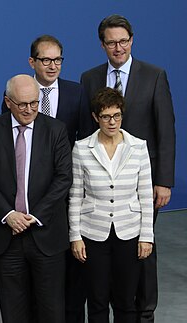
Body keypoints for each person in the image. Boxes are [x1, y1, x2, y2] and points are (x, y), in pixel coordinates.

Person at [80, 14, 175, 322]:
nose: (118, 48)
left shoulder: (154, 75)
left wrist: (164, 181)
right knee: (106, 253)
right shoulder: (89, 78)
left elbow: (166, 130)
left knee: (143, 249)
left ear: (132, 41)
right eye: (111, 42)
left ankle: (144, 313)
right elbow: (84, 130)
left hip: (143, 182)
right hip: (100, 183)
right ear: (102, 44)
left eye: (123, 41)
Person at [0, 34, 93, 323]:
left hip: (65, 195)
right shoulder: (17, 92)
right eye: (46, 60)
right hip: (25, 202)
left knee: (66, 278)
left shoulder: (76, 92)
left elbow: (86, 140)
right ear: (33, 62)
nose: (53, 66)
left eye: (58, 60)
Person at [0, 75, 72, 323]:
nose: (29, 110)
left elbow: (63, 178)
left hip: (45, 234)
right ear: (8, 102)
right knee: (13, 311)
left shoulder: (56, 130)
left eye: (34, 103)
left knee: (51, 311)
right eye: (22, 104)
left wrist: (35, 216)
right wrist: (9, 215)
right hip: (5, 235)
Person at [68, 87, 154, 323]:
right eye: (106, 116)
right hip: (93, 232)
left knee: (126, 300)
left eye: (117, 116)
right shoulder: (82, 148)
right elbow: (75, 194)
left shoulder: (138, 147)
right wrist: (75, 236)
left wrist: (147, 235)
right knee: (96, 300)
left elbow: (145, 193)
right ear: (96, 117)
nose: (112, 122)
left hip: (129, 231)